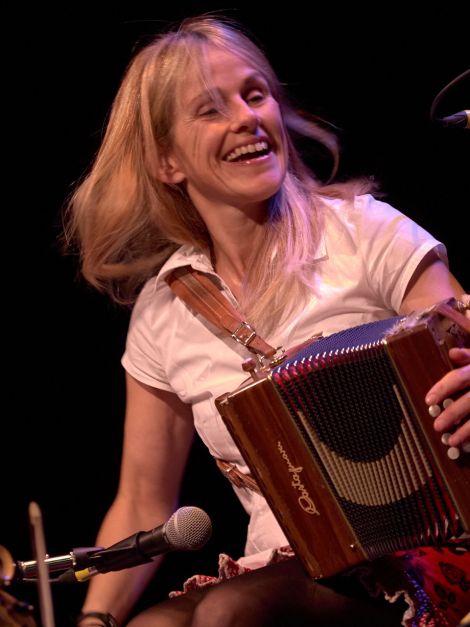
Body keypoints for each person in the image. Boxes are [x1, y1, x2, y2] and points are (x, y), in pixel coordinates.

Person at [63, 15, 470, 627]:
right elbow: (143, 501)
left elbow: (461, 345)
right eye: (211, 109)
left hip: (427, 555)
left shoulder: (365, 234)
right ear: (168, 162)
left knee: (230, 614)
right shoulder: (164, 310)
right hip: (286, 569)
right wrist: (95, 620)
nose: (247, 117)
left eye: (255, 95)